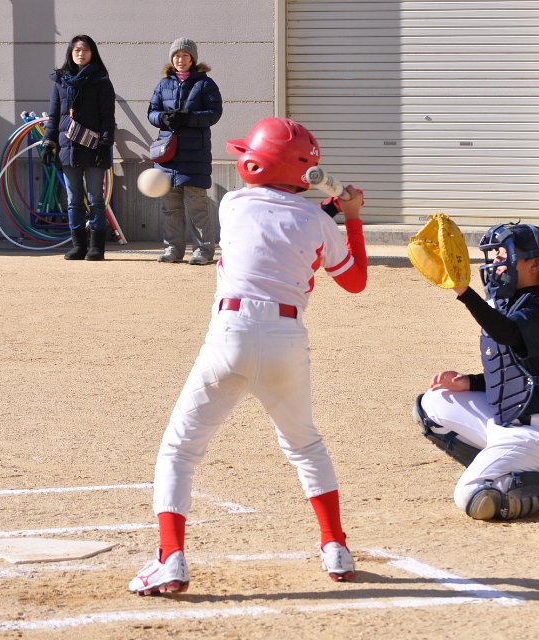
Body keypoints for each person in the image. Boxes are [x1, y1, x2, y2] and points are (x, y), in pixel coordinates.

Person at [128, 117, 368, 595]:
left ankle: (170, 558)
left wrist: (332, 209)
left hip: (230, 335)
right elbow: (354, 280)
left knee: (180, 449)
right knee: (305, 447)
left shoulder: (233, 203)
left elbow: (278, 215)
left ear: (256, 164)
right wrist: (351, 216)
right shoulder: (318, 222)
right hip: (285, 340)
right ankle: (335, 547)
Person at [413, 222, 539, 521]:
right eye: (495, 256)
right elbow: (512, 375)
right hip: (508, 421)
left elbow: (507, 332)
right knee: (431, 404)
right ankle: (509, 473)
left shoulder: (536, 310)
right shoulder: (509, 305)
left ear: (534, 265)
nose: (495, 263)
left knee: (470, 496)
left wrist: (464, 292)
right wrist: (468, 382)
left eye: (503, 256)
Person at [147, 38, 223, 265]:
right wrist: (163, 118)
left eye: (185, 56)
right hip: (167, 155)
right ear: (172, 59)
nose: (180, 60)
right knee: (170, 207)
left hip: (194, 155)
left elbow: (214, 113)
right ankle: (172, 248)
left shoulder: (205, 83)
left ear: (193, 59)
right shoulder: (163, 84)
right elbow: (151, 112)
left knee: (197, 206)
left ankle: (204, 250)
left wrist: (188, 118)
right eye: (177, 56)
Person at [41, 34, 116, 261]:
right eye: (76, 50)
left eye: (85, 50)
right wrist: (48, 143)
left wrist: (104, 144)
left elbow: (107, 117)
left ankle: (96, 247)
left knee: (95, 199)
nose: (80, 54)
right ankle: (78, 245)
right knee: (73, 199)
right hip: (68, 148)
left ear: (92, 53)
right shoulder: (60, 82)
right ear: (70, 53)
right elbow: (54, 116)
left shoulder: (101, 81)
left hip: (94, 147)